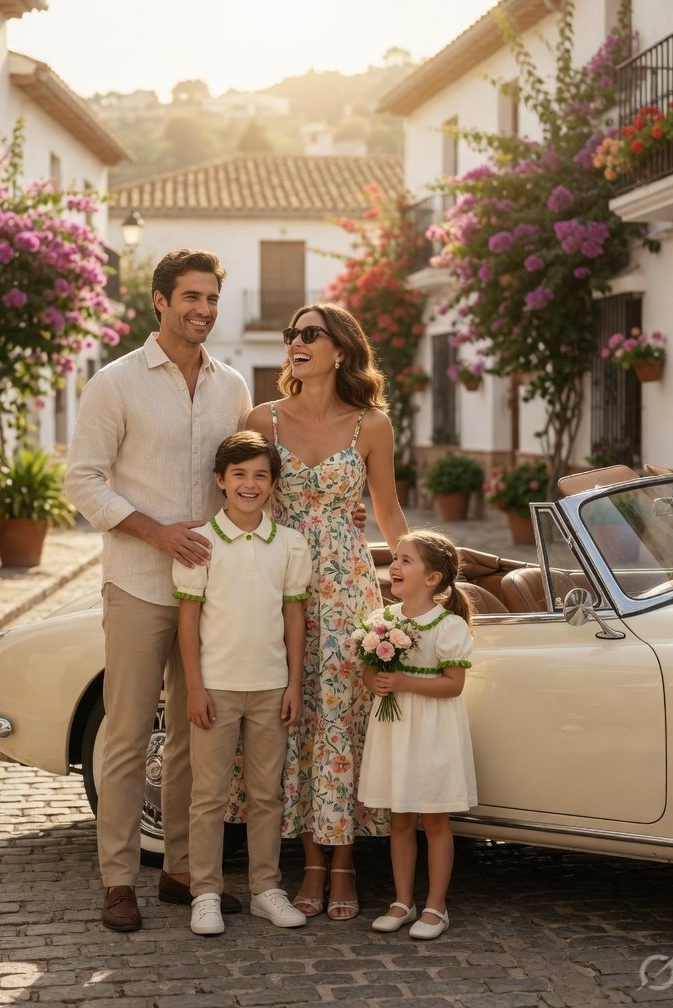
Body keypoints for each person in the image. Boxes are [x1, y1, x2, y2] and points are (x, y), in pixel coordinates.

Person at [65, 248, 252, 932]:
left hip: (209, 589)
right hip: (140, 583)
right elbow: (82, 481)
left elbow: (246, 476)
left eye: (211, 299)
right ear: (160, 301)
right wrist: (156, 532)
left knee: (190, 734)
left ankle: (179, 870)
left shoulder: (233, 386)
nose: (202, 309)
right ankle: (119, 879)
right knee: (127, 732)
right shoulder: (114, 383)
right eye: (191, 297)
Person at [245, 301, 408, 921]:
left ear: (340, 348)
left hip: (346, 593)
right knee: (296, 723)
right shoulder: (262, 419)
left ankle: (340, 866)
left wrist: (421, 577)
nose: (296, 342)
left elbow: (388, 513)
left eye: (309, 333)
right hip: (278, 583)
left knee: (339, 722)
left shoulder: (371, 425)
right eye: (292, 334)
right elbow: (243, 497)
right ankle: (307, 864)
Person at [174, 431, 311, 936]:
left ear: (274, 484)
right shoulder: (201, 543)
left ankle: (265, 889)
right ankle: (205, 893)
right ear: (220, 481)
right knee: (208, 794)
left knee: (266, 794)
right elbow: (188, 621)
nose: (249, 485)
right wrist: (194, 687)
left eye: (260, 475)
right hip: (217, 688)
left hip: (272, 688)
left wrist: (294, 684)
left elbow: (294, 617)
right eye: (239, 475)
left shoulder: (291, 544)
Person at [358, 529, 477, 940]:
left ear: (432, 578)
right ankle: (402, 900)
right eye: (395, 558)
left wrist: (404, 683)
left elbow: (453, 685)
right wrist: (376, 681)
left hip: (431, 730)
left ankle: (436, 906)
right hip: (395, 729)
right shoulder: (382, 621)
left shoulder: (447, 626)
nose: (394, 566)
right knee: (400, 818)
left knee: (435, 818)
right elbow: (370, 672)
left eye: (406, 560)